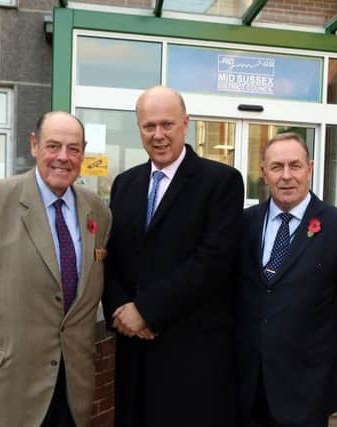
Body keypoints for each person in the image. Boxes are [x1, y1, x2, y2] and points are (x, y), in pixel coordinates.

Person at [0, 111, 112, 427]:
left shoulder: (98, 211)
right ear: (35, 145)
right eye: (53, 146)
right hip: (6, 385)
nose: (63, 157)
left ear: (83, 152)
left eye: (73, 148)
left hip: (71, 387)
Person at [102, 86, 244, 427]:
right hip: (135, 356)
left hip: (190, 358)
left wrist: (147, 311)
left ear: (186, 124)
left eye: (167, 124)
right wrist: (123, 313)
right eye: (149, 126)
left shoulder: (221, 181)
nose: (159, 135)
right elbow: (113, 256)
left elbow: (213, 261)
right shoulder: (125, 184)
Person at [235, 133, 337, 427]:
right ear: (264, 173)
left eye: (294, 166)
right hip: (248, 386)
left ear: (309, 168)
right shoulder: (243, 224)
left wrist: (315, 349)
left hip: (307, 387)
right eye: (276, 167)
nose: (286, 176)